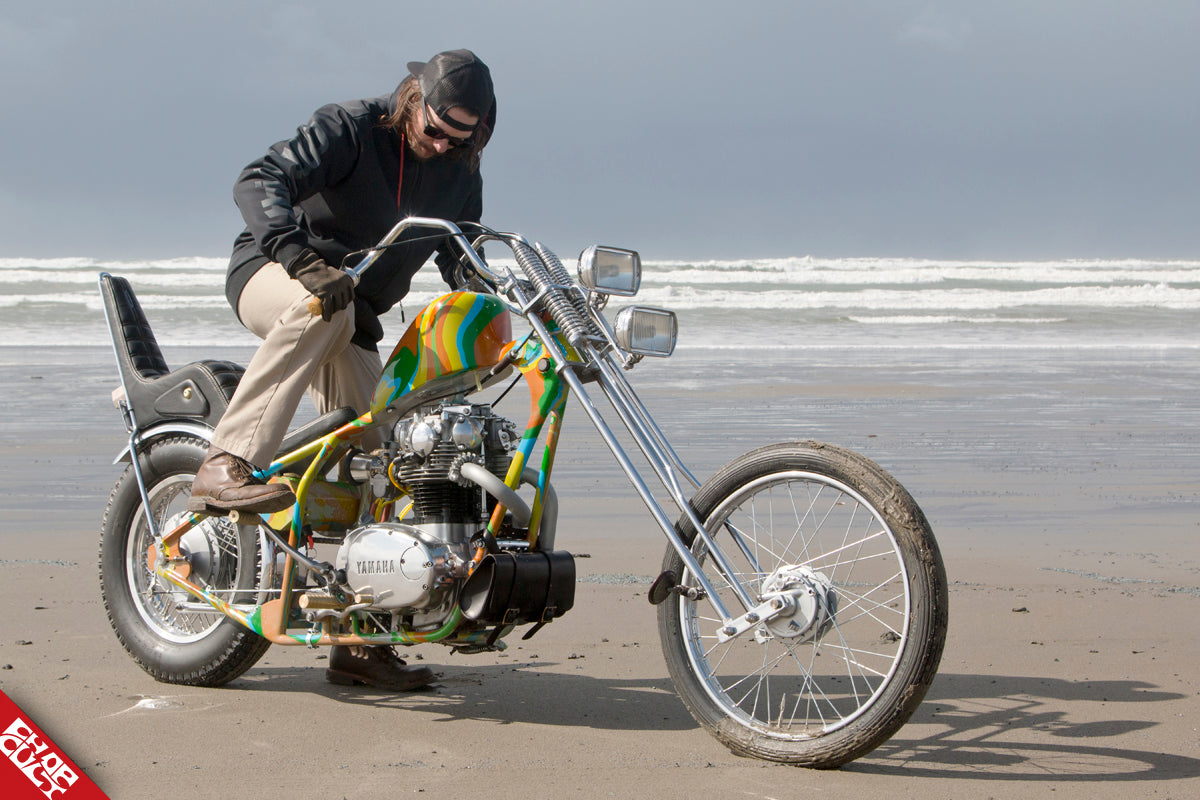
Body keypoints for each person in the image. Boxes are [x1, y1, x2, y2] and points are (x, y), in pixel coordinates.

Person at [187, 49, 496, 691]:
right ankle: (224, 463)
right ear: (415, 98)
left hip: (350, 315)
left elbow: (461, 255)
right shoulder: (351, 127)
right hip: (278, 277)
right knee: (324, 308)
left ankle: (360, 639)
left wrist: (500, 292)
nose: (441, 145)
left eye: (459, 138)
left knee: (388, 453)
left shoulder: (459, 172)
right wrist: (298, 255)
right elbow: (258, 178)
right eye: (435, 128)